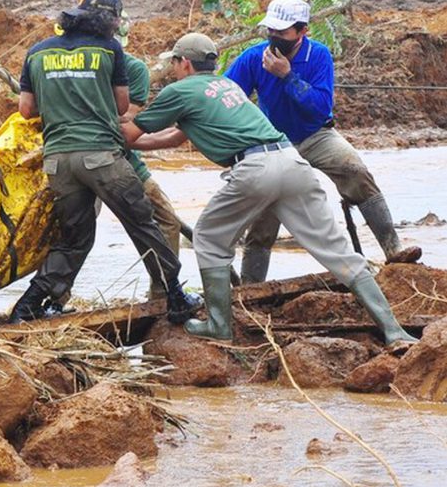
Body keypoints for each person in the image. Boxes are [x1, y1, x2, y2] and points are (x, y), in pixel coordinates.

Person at [122, 32, 416, 346]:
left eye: (175, 64)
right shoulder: (227, 87)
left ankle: (219, 325)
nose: (173, 71)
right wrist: (142, 142)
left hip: (253, 169)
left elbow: (130, 133)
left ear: (184, 63)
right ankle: (394, 331)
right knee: (336, 250)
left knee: (208, 237)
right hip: (290, 161)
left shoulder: (178, 91)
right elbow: (176, 136)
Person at [9, 0, 200, 324]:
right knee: (142, 222)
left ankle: (28, 307)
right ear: (106, 19)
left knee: (73, 238)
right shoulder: (109, 49)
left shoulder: (37, 52)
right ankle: (175, 294)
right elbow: (122, 105)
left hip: (58, 161)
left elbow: (26, 110)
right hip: (101, 156)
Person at [225, 0, 421, 283]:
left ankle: (393, 249)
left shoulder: (318, 56)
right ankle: (253, 287)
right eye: (272, 31)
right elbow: (227, 94)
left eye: (283, 32)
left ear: (302, 31)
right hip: (273, 143)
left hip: (316, 135)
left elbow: (319, 105)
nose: (275, 37)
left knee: (355, 170)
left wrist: (287, 76)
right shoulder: (254, 57)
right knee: (263, 216)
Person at [115, 14, 182, 257]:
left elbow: (127, 123)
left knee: (167, 220)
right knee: (73, 231)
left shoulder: (133, 69)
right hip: (88, 155)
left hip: (120, 157)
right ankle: (56, 294)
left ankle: (163, 291)